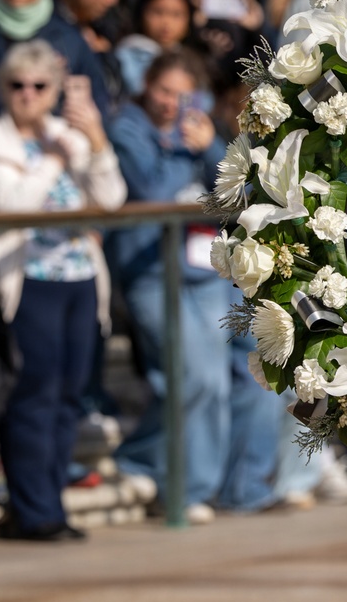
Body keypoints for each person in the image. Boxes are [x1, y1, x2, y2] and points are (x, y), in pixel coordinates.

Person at [107, 49, 283, 520]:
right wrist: (183, 150)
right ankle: (184, 488)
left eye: (184, 95)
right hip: (153, 272)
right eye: (164, 91)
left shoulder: (201, 132)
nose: (172, 103)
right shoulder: (126, 127)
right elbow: (153, 194)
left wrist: (210, 149)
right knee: (199, 378)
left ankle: (244, 486)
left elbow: (234, 194)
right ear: (147, 87)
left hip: (209, 270)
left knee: (261, 368)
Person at [0, 40, 126, 540]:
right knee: (34, 395)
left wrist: (96, 141)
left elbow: (111, 197)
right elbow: (13, 201)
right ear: (4, 89)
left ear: (54, 90)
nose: (28, 95)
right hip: (29, 281)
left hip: (80, 278)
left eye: (39, 86)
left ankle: (51, 503)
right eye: (17, 85)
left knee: (68, 394)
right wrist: (55, 161)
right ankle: (33, 511)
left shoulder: (67, 132)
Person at [115, 0, 193, 95]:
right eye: (158, 12)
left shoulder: (190, 59)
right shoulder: (130, 54)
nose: (166, 22)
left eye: (176, 14)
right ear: (142, 13)